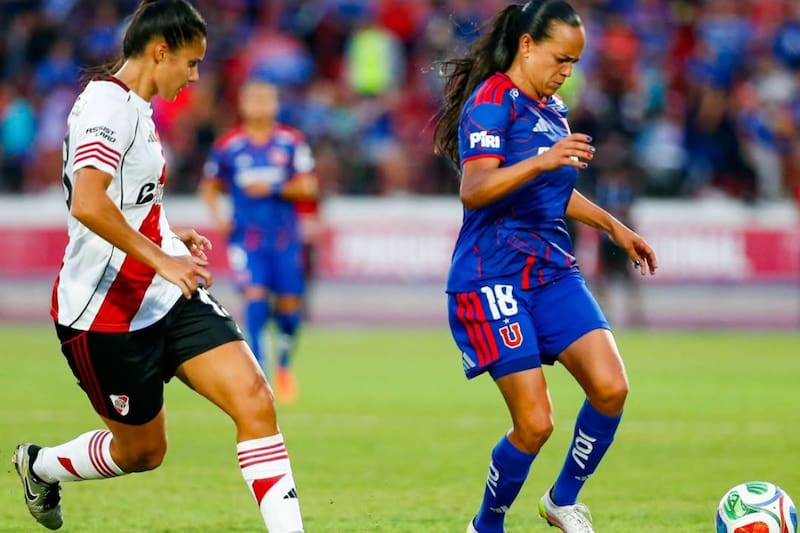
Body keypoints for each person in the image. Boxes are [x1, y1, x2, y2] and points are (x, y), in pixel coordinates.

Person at [12, 2, 303, 532]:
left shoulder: (138, 107)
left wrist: (170, 234)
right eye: (190, 63)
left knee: (255, 400)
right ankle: (40, 466)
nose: (194, 77)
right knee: (143, 452)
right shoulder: (106, 106)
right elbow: (89, 204)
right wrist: (163, 257)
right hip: (103, 313)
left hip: (165, 297)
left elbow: (131, 201)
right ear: (159, 50)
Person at [433, 2, 658, 533]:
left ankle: (562, 499)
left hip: (552, 270)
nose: (567, 72)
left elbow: (554, 191)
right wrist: (541, 159)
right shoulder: (491, 102)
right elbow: (476, 189)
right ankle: (486, 524)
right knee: (534, 424)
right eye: (561, 58)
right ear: (527, 46)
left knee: (611, 388)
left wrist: (612, 226)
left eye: (575, 63)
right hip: (493, 277)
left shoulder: (551, 108)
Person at [199, 77, 318, 404]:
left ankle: (283, 365)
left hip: (284, 238)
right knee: (254, 297)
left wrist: (275, 188)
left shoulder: (290, 143)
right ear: (243, 105)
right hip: (247, 240)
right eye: (254, 100)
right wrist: (220, 219)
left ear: (276, 105)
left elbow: (309, 187)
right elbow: (209, 186)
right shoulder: (229, 147)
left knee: (291, 307)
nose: (260, 106)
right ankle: (260, 370)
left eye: (267, 99)